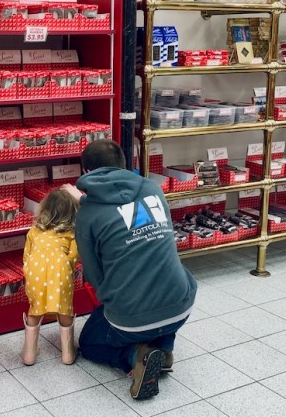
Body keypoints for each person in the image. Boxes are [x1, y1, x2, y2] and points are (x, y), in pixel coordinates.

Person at [63, 139, 197, 401]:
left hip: (132, 318)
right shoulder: (152, 189)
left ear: (86, 173)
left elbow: (94, 278)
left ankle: (137, 356)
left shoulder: (87, 214)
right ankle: (165, 348)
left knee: (89, 343)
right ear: (124, 165)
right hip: (181, 306)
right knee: (160, 283)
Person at [21, 188, 79, 366]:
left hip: (34, 271)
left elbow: (26, 257)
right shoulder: (70, 234)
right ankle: (68, 353)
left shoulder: (34, 231)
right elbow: (73, 257)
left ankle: (29, 354)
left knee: (35, 309)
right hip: (61, 272)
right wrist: (68, 270)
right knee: (64, 309)